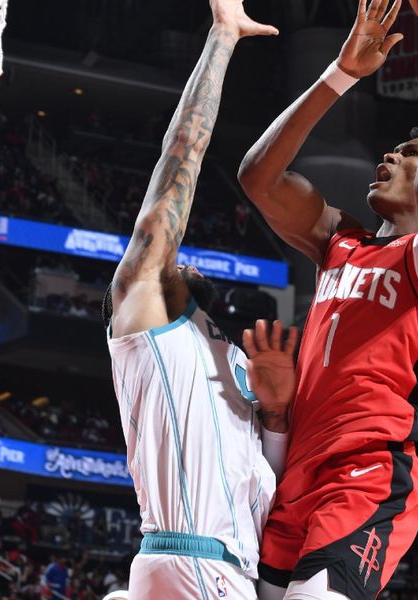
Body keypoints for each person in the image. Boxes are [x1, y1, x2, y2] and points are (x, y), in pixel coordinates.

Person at [238, 0, 418, 597]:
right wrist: (339, 75)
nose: (390, 155)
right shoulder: (338, 241)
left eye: (408, 154)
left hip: (366, 474)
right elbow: (257, 177)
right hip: (295, 472)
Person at [99, 1, 295, 598]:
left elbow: (262, 488)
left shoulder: (237, 364)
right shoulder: (146, 317)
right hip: (192, 562)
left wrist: (278, 416)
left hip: (232, 572)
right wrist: (223, 38)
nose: (181, 254)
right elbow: (179, 157)